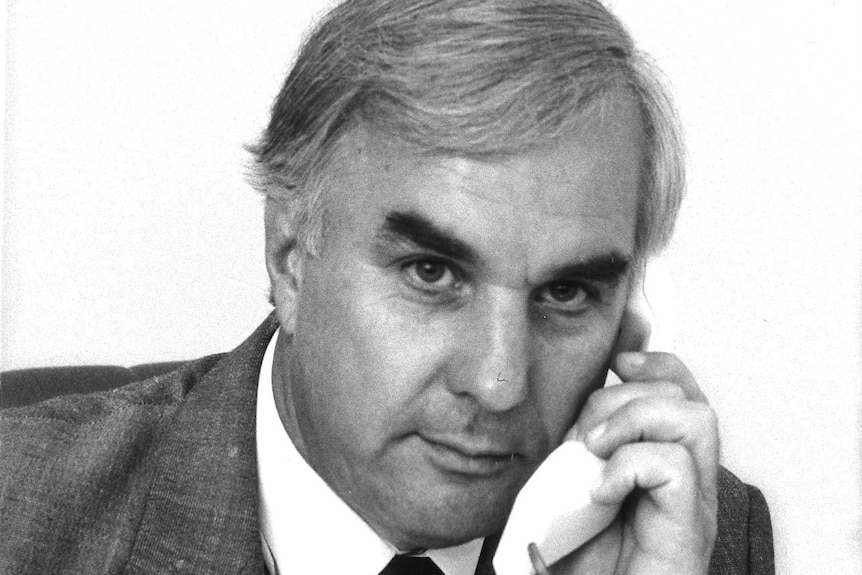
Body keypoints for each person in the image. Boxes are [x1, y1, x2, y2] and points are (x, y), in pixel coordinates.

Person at [0, 0, 774, 573]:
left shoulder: (694, 533)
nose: (500, 383)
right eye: (432, 273)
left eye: (567, 295)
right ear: (291, 252)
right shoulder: (20, 511)